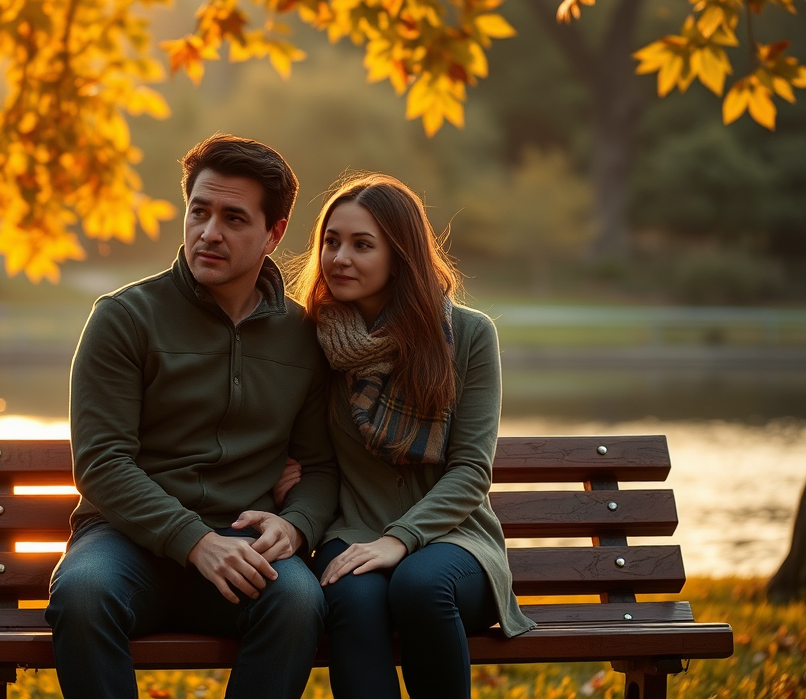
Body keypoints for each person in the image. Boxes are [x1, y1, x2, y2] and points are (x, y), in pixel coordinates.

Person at [45, 133, 338, 699]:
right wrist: (196, 541)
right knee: (82, 596)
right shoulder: (124, 318)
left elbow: (322, 467)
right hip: (125, 541)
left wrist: (296, 524)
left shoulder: (303, 336)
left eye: (234, 218)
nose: (209, 232)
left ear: (274, 233)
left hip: (242, 539)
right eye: (199, 212)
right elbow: (102, 463)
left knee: (298, 602)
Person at [283, 172, 536, 699]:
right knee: (351, 596)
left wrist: (399, 539)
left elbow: (470, 471)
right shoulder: (315, 340)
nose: (339, 258)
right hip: (352, 532)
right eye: (331, 242)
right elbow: (300, 449)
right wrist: (286, 482)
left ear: (400, 256)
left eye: (362, 245)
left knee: (420, 585)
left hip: (455, 540)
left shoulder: (468, 335)